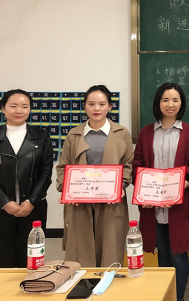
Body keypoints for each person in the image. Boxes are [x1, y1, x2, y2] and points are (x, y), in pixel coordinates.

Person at [133, 83, 189, 301]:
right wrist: (144, 194)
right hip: (153, 207)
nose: (170, 104)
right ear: (158, 103)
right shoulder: (146, 132)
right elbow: (137, 165)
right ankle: (166, 296)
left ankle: (178, 298)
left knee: (179, 254)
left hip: (180, 205)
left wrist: (178, 189)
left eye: (175, 100)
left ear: (181, 104)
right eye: (165, 100)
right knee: (162, 253)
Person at [56, 85, 134, 267]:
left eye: (102, 104)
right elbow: (63, 166)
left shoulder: (121, 133)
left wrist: (121, 185)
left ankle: (107, 282)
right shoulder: (74, 134)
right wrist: (66, 189)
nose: (96, 108)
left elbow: (128, 164)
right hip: (80, 201)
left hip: (111, 201)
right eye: (91, 104)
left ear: (110, 106)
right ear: (84, 106)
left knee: (110, 247)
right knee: (80, 248)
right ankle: (83, 282)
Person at [0, 89, 54, 268]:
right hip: (0, 210)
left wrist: (31, 201)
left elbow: (46, 173)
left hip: (33, 209)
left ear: (30, 109)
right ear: (3, 109)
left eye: (24, 106)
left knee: (31, 262)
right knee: (1, 261)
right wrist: (5, 203)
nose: (19, 110)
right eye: (13, 106)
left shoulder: (41, 137)